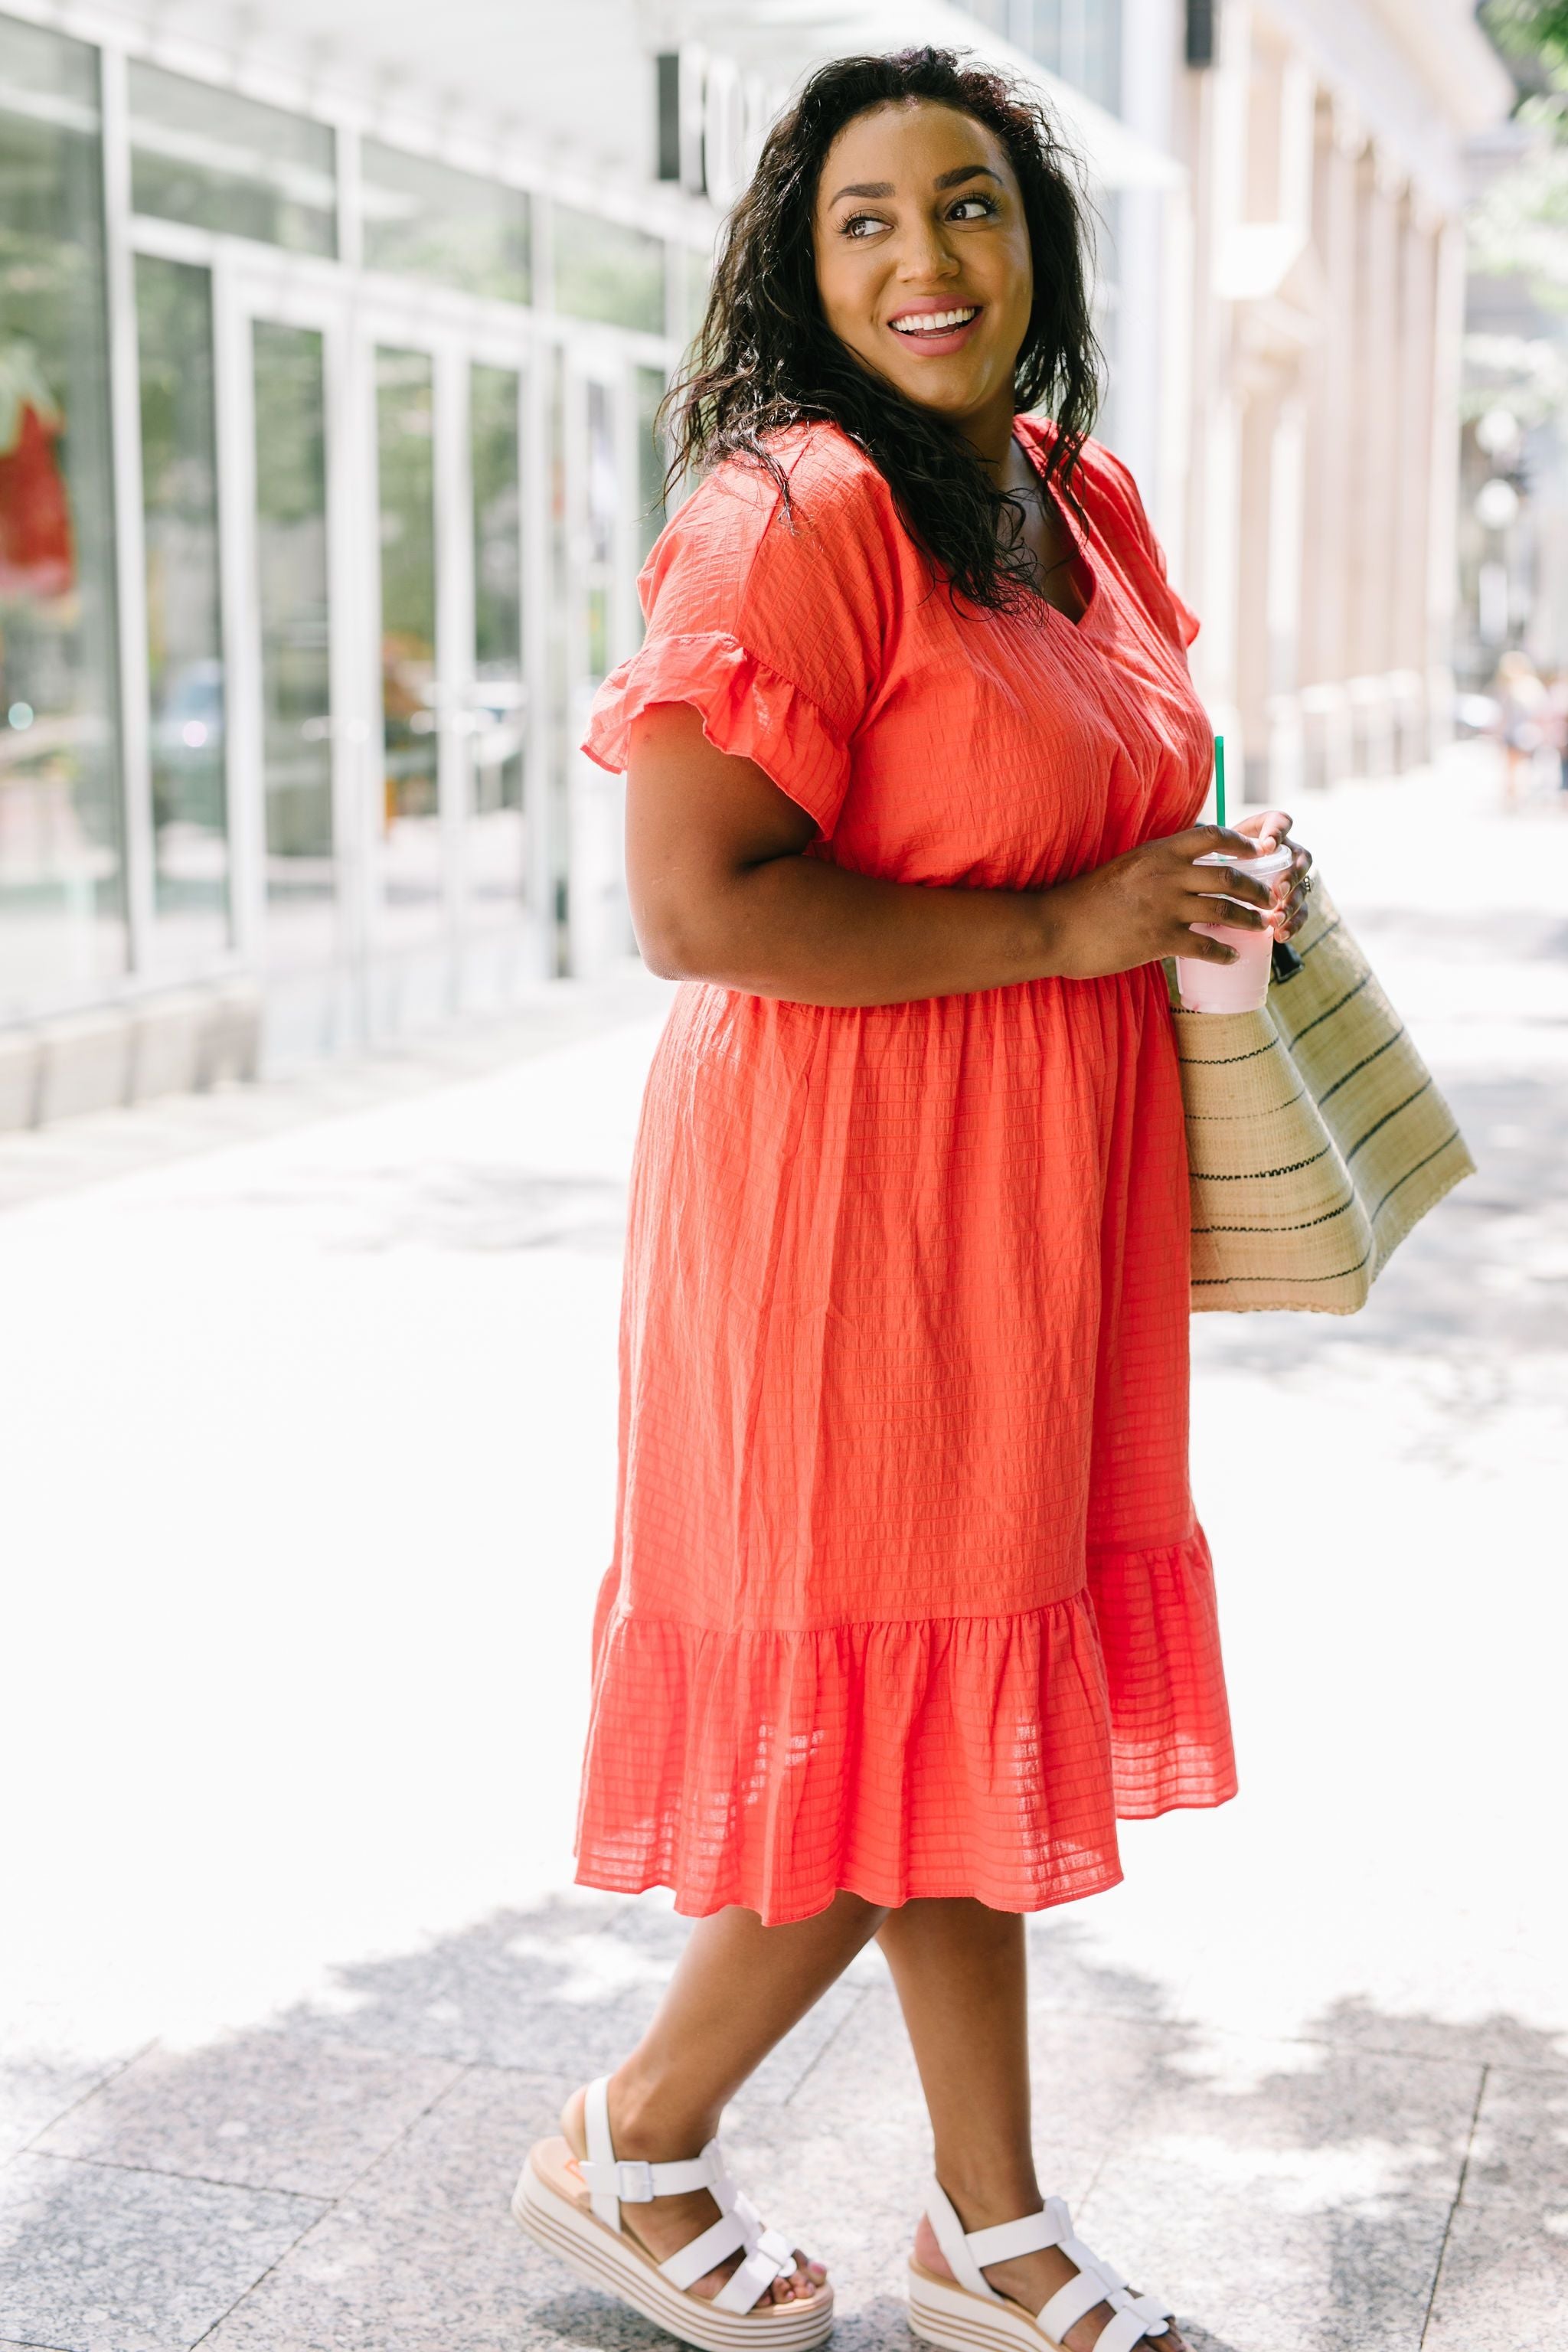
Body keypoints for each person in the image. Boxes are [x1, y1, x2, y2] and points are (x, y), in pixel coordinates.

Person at [514, 48, 1312, 2352]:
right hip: (850, 1194)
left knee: (964, 1685)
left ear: (1040, 243)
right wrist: (1073, 928)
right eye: (864, 220)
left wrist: (1206, 879)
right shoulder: (796, 513)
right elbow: (698, 904)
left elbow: (1113, 778)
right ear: (800, 260)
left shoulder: (1086, 501)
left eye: (968, 207)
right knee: (903, 1698)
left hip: (1042, 1189)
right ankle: (634, 2137)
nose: (925, 261)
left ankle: (988, 2224)